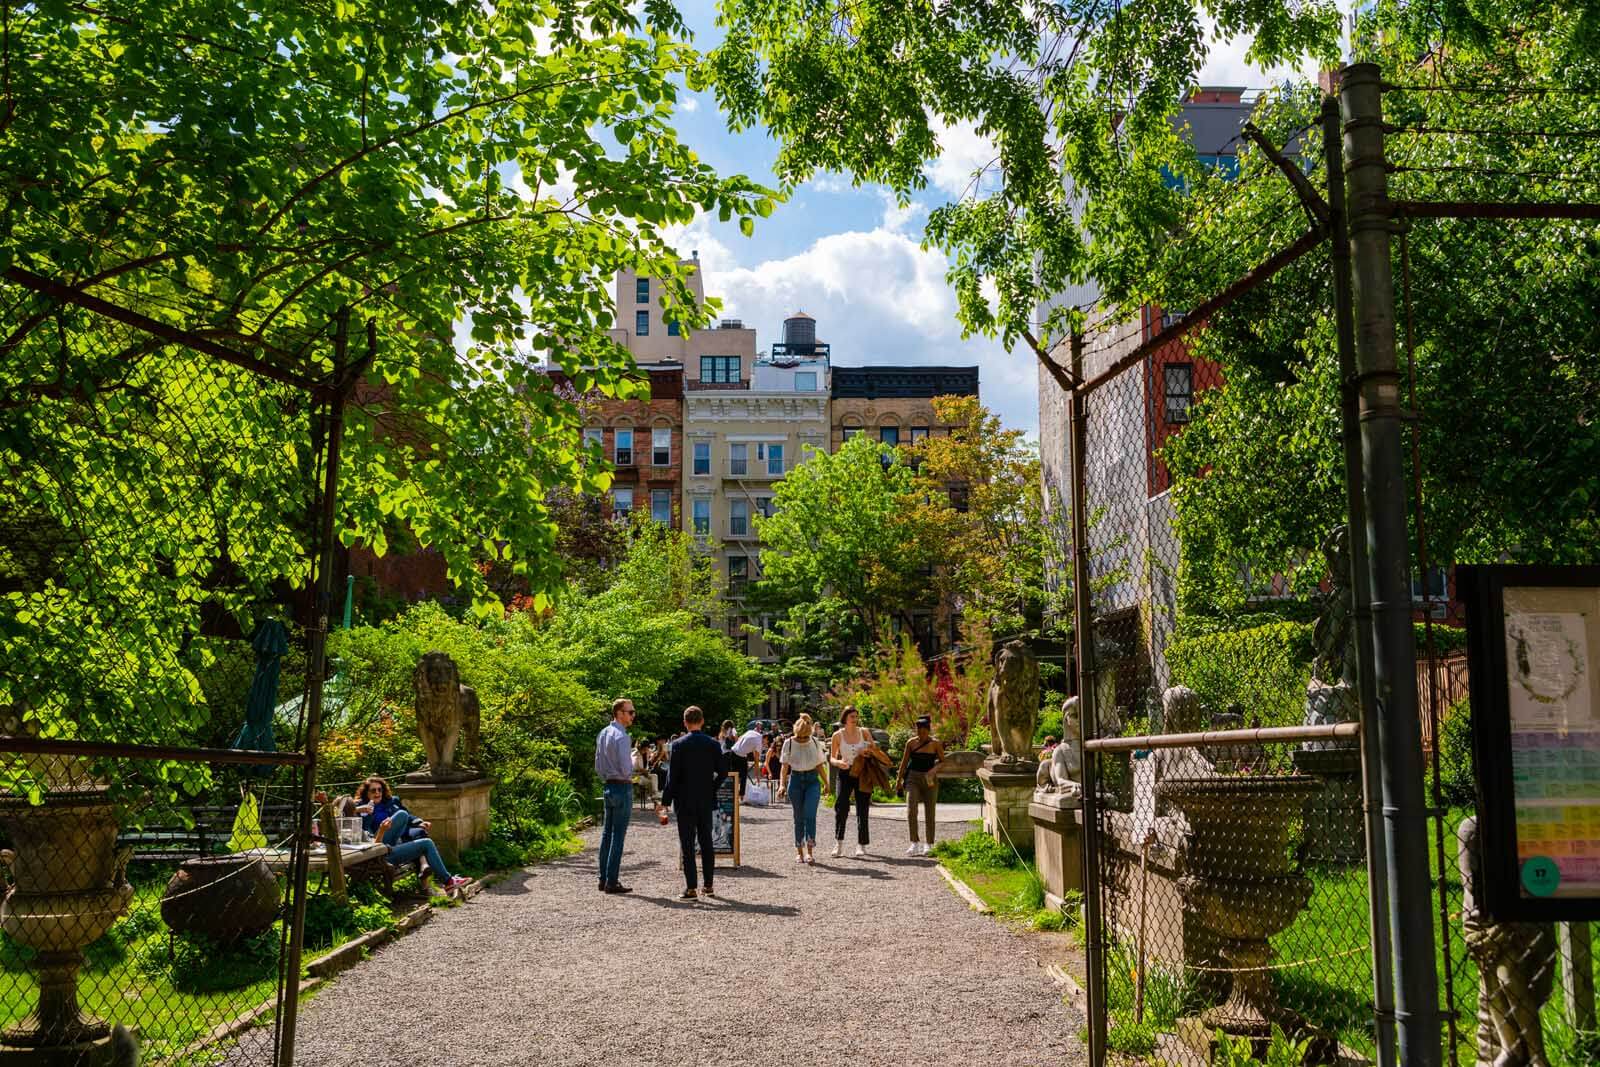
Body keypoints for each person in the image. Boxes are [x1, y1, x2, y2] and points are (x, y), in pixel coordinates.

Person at [658, 705, 727, 900]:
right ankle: (709, 885)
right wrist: (712, 787)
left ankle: (691, 888)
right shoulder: (713, 744)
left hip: (684, 799)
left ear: (685, 722)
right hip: (706, 798)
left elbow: (672, 778)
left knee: (687, 844)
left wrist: (665, 801)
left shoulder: (679, 745)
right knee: (707, 842)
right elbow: (723, 772)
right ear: (702, 721)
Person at [594, 697, 638, 894]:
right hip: (622, 786)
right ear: (619, 713)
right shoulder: (622, 736)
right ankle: (612, 881)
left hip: (608, 786)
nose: (633, 715)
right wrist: (630, 775)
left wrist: (606, 776)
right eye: (630, 712)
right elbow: (626, 766)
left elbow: (598, 764)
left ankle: (603, 879)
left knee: (606, 835)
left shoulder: (603, 733)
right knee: (618, 835)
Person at [777, 713, 827, 864]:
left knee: (810, 816)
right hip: (796, 780)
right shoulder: (789, 743)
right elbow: (784, 767)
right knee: (798, 817)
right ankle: (799, 851)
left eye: (805, 738)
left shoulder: (815, 742)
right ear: (796, 733)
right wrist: (781, 785)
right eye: (801, 738)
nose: (803, 741)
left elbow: (819, 764)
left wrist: (826, 783)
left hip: (812, 781)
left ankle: (810, 852)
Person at [895, 716, 946, 856]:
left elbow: (942, 761)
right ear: (915, 730)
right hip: (913, 778)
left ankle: (929, 844)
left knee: (930, 811)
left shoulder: (935, 744)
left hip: (929, 779)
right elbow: (904, 763)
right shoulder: (911, 743)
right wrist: (898, 780)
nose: (921, 735)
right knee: (911, 810)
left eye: (924, 732)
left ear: (928, 731)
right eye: (918, 731)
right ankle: (914, 842)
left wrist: (933, 770)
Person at [829, 706, 875, 858]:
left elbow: (874, 749)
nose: (855, 720)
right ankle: (838, 842)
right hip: (845, 772)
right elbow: (832, 758)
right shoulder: (837, 735)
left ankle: (861, 845)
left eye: (856, 716)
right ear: (845, 718)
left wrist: (866, 751)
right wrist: (838, 763)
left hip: (862, 773)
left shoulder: (864, 732)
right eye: (852, 717)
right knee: (841, 806)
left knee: (863, 808)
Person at [731, 721, 764, 798]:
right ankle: (741, 795)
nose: (765, 745)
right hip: (740, 755)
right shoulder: (759, 741)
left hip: (733, 752)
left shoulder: (750, 732)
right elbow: (756, 760)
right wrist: (758, 776)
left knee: (734, 775)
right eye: (766, 743)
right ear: (765, 739)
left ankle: (734, 795)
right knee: (743, 775)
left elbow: (739, 738)